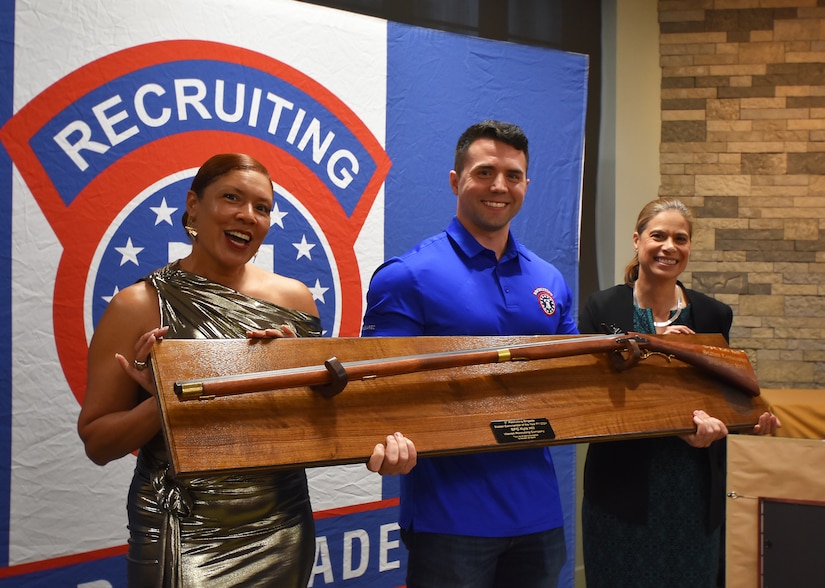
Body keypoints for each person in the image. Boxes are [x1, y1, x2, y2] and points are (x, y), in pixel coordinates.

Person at [77, 153, 415, 587]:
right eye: (231, 198)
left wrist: (303, 386)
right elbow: (97, 445)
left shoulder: (294, 302)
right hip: (182, 526)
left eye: (262, 207)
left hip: (282, 524)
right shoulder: (138, 305)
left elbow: (318, 427)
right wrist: (164, 402)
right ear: (194, 205)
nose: (248, 216)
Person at [361, 120, 575, 588]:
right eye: (484, 172)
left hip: (539, 515)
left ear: (526, 185)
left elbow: (576, 383)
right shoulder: (406, 275)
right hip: (450, 519)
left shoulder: (551, 280)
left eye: (513, 175)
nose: (499, 186)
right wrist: (383, 439)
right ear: (457, 181)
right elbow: (378, 392)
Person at [578, 197, 780, 588]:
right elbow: (595, 398)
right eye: (658, 235)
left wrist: (747, 426)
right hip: (620, 492)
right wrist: (652, 345)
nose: (670, 246)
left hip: (694, 494)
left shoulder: (714, 315)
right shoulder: (602, 308)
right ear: (637, 241)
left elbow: (719, 394)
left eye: (680, 238)